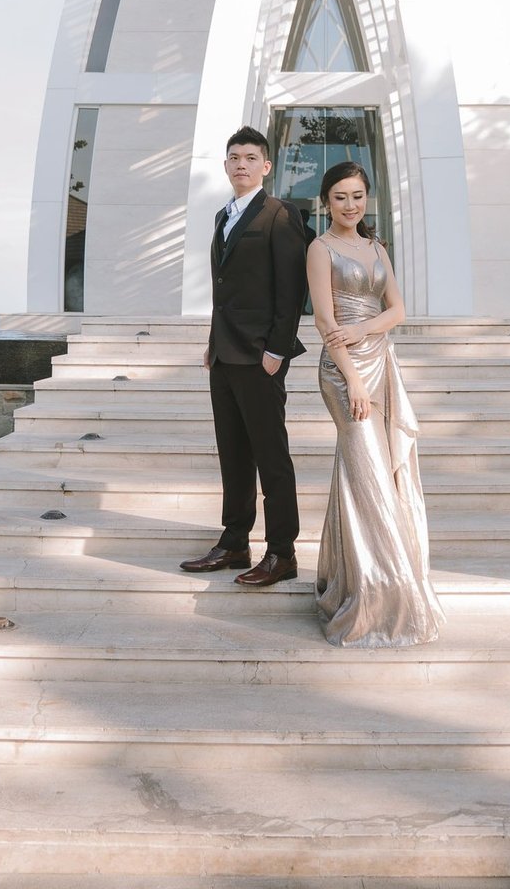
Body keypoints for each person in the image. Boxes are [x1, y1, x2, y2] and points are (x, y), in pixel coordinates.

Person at [307, 161, 445, 646]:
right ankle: (379, 593)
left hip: (381, 366)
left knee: (378, 473)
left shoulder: (376, 247)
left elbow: (398, 311)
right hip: (344, 372)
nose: (351, 205)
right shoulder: (320, 249)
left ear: (368, 198)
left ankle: (351, 578)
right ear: (327, 201)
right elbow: (326, 322)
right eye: (341, 196)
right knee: (366, 470)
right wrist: (354, 381)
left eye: (358, 195)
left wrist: (367, 330)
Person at [179, 126, 308, 588]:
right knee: (232, 454)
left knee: (271, 457)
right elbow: (224, 290)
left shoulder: (280, 215)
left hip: (260, 357)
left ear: (266, 166)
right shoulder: (222, 216)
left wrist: (277, 350)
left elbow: (292, 290)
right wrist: (214, 344)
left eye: (250, 158)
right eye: (234, 157)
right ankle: (235, 541)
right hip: (225, 355)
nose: (241, 165)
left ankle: (282, 552)